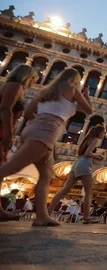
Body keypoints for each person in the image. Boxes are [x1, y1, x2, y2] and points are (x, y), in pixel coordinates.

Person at [0, 68, 93, 226]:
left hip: (33, 130)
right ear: (76, 80)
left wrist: (40, 124)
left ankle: (42, 216)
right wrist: (86, 96)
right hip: (46, 133)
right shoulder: (72, 89)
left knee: (47, 175)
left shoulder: (45, 91)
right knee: (11, 167)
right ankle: (42, 216)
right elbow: (89, 110)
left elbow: (28, 112)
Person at [0, 64, 38, 220]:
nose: (34, 83)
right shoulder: (15, 86)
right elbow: (5, 108)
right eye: (34, 79)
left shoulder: (14, 87)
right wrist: (8, 132)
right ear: (27, 76)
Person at [48, 125, 105, 224]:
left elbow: (83, 153)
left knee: (64, 190)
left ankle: (47, 213)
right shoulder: (95, 140)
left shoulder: (86, 139)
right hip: (84, 164)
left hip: (77, 163)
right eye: (103, 132)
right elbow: (88, 153)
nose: (104, 134)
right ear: (99, 132)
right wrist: (98, 156)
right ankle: (87, 217)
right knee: (88, 192)